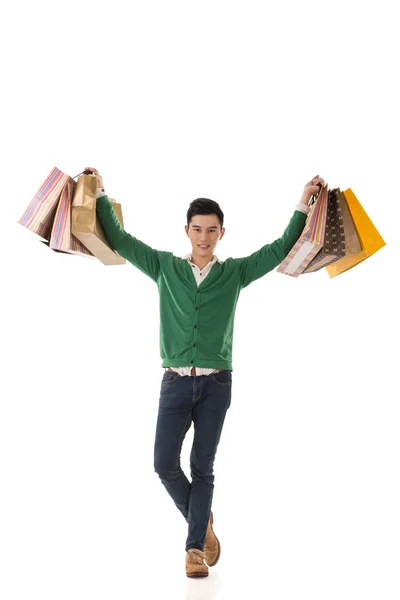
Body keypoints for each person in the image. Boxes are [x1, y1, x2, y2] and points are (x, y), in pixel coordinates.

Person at [84, 167, 325, 578]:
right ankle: (203, 520)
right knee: (163, 464)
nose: (204, 237)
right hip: (175, 383)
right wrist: (100, 191)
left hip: (216, 384)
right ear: (187, 230)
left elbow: (281, 246)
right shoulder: (164, 267)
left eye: (212, 230)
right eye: (197, 229)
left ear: (221, 234)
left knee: (203, 467)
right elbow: (121, 240)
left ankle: (193, 550)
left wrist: (304, 203)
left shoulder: (234, 273)